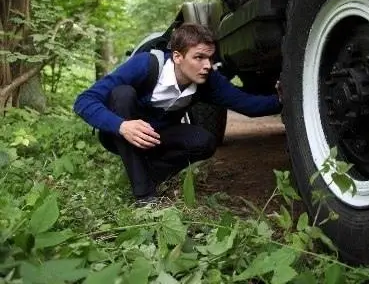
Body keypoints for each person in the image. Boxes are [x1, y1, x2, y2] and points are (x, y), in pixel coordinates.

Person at [73, 23, 282, 206]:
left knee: (204, 141)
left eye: (210, 58)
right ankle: (145, 197)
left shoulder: (208, 80)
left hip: (159, 135)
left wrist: (283, 98)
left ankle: (148, 174)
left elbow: (247, 104)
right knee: (122, 94)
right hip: (119, 134)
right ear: (177, 57)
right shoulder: (145, 64)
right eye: (199, 57)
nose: (207, 65)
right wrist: (122, 126)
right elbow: (84, 101)